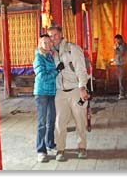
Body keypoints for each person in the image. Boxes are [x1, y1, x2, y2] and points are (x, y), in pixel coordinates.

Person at [47, 26, 89, 161]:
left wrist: (82, 88)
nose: (53, 38)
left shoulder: (73, 49)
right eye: (50, 36)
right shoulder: (51, 53)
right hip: (59, 92)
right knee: (59, 122)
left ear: (61, 35)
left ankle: (82, 147)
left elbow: (81, 69)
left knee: (80, 120)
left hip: (76, 90)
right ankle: (60, 149)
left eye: (55, 35)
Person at [33, 34, 59, 163]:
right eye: (45, 42)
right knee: (42, 122)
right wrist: (56, 71)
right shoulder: (38, 57)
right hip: (42, 93)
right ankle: (41, 150)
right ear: (40, 44)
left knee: (51, 120)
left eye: (49, 42)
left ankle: (50, 143)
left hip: (52, 92)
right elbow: (42, 76)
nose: (48, 44)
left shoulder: (49, 56)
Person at [114, 34, 127, 100]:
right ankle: (124, 93)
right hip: (120, 63)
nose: (116, 41)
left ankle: (122, 94)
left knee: (121, 79)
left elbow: (121, 54)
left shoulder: (123, 45)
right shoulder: (120, 45)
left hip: (122, 64)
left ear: (120, 39)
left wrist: (115, 49)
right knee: (123, 79)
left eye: (117, 40)